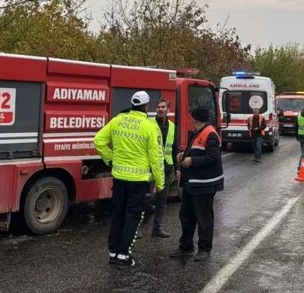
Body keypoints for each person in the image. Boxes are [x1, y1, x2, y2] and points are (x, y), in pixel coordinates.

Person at [94, 91, 165, 269]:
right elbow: (156, 157)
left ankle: (113, 253)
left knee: (117, 214)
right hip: (139, 180)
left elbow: (98, 140)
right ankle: (124, 255)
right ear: (147, 106)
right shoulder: (149, 126)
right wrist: (160, 182)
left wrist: (110, 159)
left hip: (119, 178)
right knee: (133, 217)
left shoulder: (118, 120)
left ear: (132, 104)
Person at [170, 107, 224, 262]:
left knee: (204, 218)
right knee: (186, 215)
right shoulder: (198, 132)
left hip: (204, 184)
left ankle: (204, 248)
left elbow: (213, 157)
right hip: (191, 183)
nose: (190, 120)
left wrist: (192, 161)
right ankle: (186, 246)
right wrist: (185, 155)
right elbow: (197, 150)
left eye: (191, 117)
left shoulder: (210, 134)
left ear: (195, 118)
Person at [149, 98, 178, 238]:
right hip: (149, 166)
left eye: (163, 107)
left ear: (168, 110)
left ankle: (157, 228)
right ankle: (137, 227)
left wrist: (176, 168)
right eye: (158, 107)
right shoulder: (149, 124)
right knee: (145, 197)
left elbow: (174, 148)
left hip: (166, 166)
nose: (160, 109)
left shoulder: (172, 126)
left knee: (162, 200)